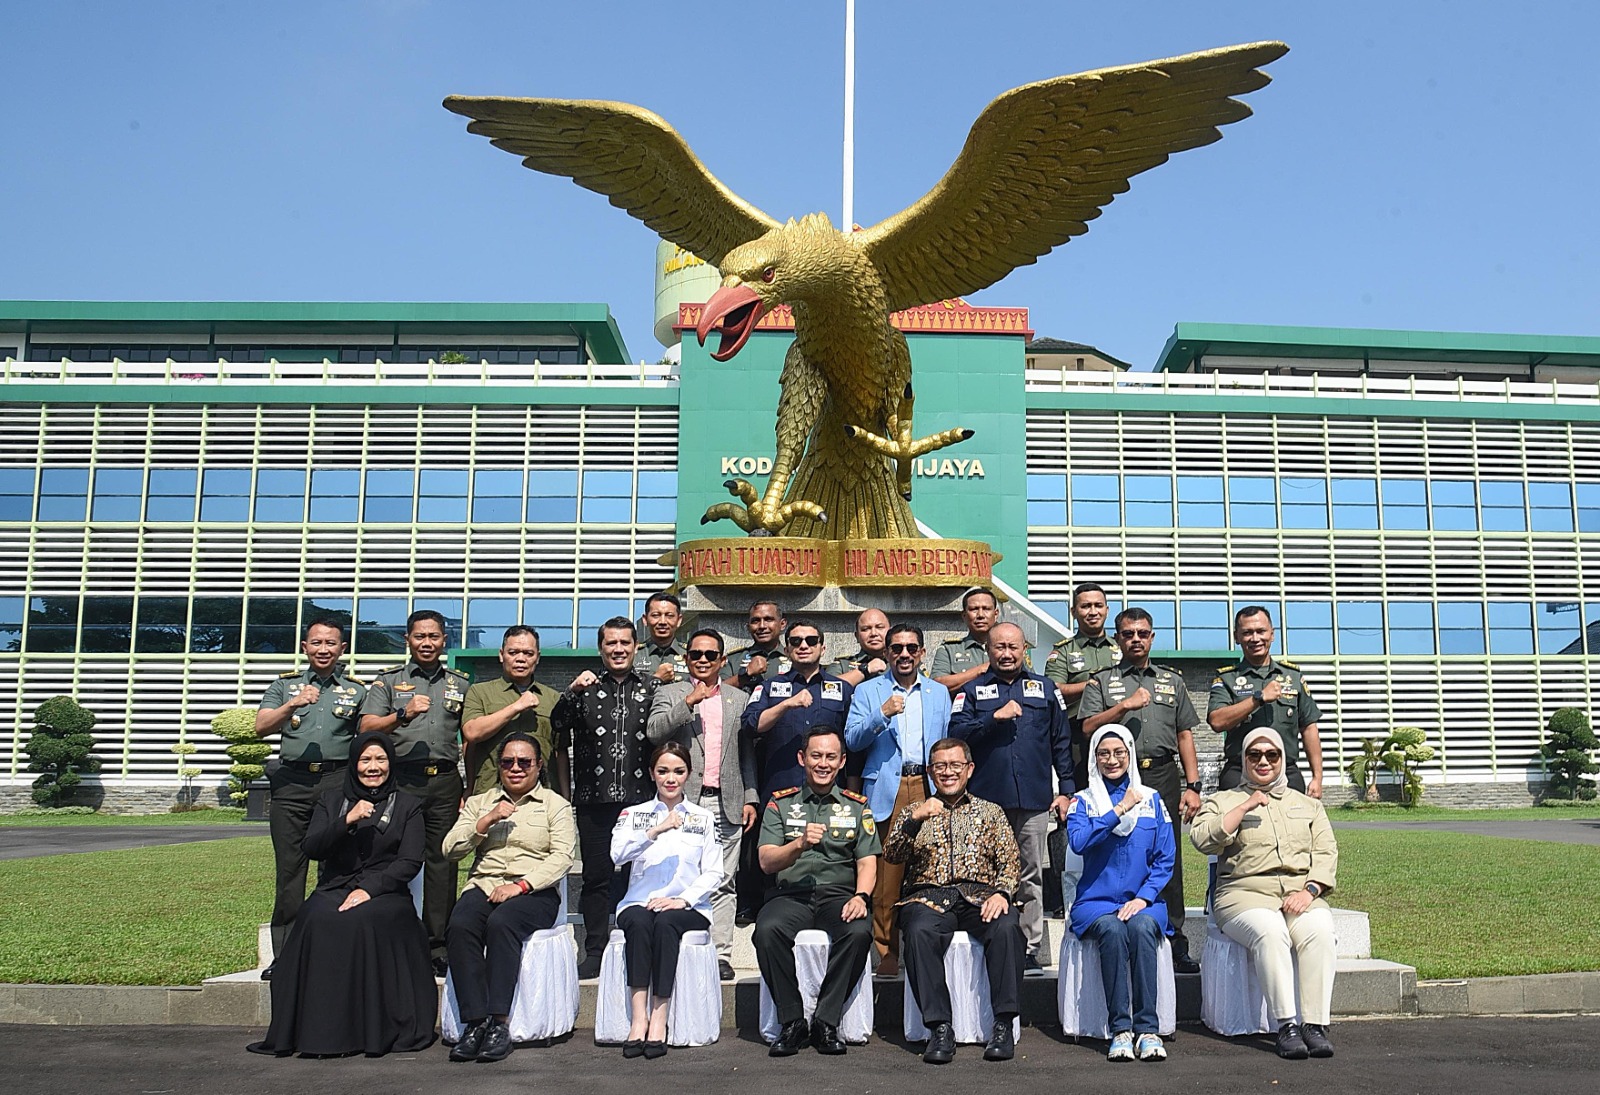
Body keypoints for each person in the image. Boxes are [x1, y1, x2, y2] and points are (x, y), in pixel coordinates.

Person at [247, 730, 435, 1057]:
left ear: (391, 763)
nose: (373, 767)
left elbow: (410, 861)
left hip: (386, 892)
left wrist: (369, 890)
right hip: (335, 886)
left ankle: (369, 1031)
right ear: (354, 763)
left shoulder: (408, 805)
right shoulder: (332, 800)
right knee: (316, 916)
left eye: (380, 759)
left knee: (365, 919)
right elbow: (312, 847)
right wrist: (346, 820)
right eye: (365, 760)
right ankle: (319, 1032)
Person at [1191, 727, 1339, 1061]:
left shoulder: (1308, 805)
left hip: (1298, 894)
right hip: (1243, 895)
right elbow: (1202, 839)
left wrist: (1311, 890)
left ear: (1282, 760)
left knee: (1320, 931)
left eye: (1271, 755)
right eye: (1254, 755)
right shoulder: (1224, 799)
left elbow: (1326, 852)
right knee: (1271, 933)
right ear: (1243, 760)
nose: (1263, 761)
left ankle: (1314, 1025)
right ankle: (1286, 1025)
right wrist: (1243, 808)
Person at [1079, 607, 1204, 974]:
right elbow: (1087, 726)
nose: (1136, 639)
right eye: (1128, 633)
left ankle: (1172, 935)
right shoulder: (1101, 681)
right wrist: (1124, 706)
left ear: (1152, 637)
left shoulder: (1172, 681)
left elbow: (1185, 734)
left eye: (1143, 633)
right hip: (1116, 777)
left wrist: (1193, 785)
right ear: (1117, 638)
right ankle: (1118, 919)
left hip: (1161, 774)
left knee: (1169, 856)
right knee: (1116, 852)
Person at [884, 737, 1024, 1065]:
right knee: (918, 931)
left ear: (969, 769)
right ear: (931, 772)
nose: (948, 772)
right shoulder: (913, 811)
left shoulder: (991, 812)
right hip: (928, 896)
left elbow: (1011, 862)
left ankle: (1003, 1024)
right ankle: (940, 1027)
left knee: (1006, 926)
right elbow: (892, 854)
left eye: (955, 765)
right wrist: (915, 818)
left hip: (980, 895)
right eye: (941, 766)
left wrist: (1002, 893)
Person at [442, 732, 577, 1063]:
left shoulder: (554, 805)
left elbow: (562, 857)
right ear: (499, 766)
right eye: (508, 762)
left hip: (534, 892)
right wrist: (485, 821)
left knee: (502, 924)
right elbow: (449, 850)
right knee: (460, 925)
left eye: (524, 762)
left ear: (538, 765)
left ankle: (499, 1023)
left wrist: (521, 886)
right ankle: (475, 1023)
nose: (516, 768)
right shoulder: (479, 802)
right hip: (484, 884)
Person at [947, 621, 1073, 973]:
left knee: (1030, 874)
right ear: (988, 649)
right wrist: (994, 719)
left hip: (1033, 799)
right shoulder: (971, 691)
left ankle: (1029, 947)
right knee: (986, 874)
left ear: (1024, 650)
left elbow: (1060, 742)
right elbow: (955, 735)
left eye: (1013, 647)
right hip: (987, 803)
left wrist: (1066, 791)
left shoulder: (1045, 689)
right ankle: (992, 938)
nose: (1006, 653)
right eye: (999, 646)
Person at [755, 727, 879, 1057]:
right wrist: (797, 845)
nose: (822, 763)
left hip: (838, 894)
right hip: (790, 894)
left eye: (830, 757)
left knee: (858, 932)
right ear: (802, 759)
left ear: (841, 762)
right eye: (815, 756)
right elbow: (766, 861)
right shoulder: (780, 804)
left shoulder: (857, 807)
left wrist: (861, 897)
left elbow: (867, 862)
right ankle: (792, 1020)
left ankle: (825, 1021)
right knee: (766, 931)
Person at [359, 609, 470, 972]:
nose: (427, 643)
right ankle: (392, 936)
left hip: (444, 780)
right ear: (408, 639)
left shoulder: (459, 683)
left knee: (442, 860)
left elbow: (467, 738)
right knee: (392, 856)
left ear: (444, 640)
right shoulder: (388, 682)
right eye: (420, 636)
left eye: (434, 636)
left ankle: (437, 945)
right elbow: (367, 727)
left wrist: (465, 785)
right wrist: (402, 714)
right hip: (401, 780)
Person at [254, 619, 366, 969]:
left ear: (342, 649)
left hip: (336, 783)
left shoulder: (357, 691)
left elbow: (367, 734)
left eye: (331, 643)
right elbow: (261, 727)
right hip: (292, 784)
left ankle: (329, 949)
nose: (323, 649)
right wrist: (293, 705)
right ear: (304, 646)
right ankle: (285, 956)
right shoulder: (283, 686)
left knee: (335, 867)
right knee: (290, 870)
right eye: (316, 642)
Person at [646, 628, 757, 980]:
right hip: (681, 804)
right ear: (687, 658)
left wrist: (751, 796)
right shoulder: (670, 693)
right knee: (679, 875)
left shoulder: (738, 699)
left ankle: (721, 954)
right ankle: (679, 945)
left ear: (723, 661)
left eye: (711, 655)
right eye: (697, 654)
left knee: (724, 880)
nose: (704, 660)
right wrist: (689, 702)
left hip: (727, 801)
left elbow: (746, 754)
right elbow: (654, 732)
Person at [843, 622, 951, 976]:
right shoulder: (869, 691)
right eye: (897, 648)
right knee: (887, 875)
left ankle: (930, 947)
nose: (904, 654)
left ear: (921, 652)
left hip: (927, 785)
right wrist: (882, 713)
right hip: (887, 789)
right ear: (886, 653)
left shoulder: (937, 693)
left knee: (930, 869)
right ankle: (886, 952)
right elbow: (853, 740)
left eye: (911, 648)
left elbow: (946, 742)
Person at [551, 616, 654, 979]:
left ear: (636, 647)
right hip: (593, 801)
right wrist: (572, 690)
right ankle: (594, 947)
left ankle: (629, 944)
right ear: (601, 648)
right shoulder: (586, 689)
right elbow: (557, 725)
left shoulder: (651, 688)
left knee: (634, 876)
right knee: (596, 877)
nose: (618, 649)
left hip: (640, 801)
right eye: (611, 643)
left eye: (625, 642)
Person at [1066, 725, 1176, 1062]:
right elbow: (1078, 842)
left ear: (1130, 755)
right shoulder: (1082, 801)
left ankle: (1148, 1030)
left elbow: (1165, 857)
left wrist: (1143, 898)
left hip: (1144, 901)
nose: (1112, 760)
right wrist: (1118, 810)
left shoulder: (1152, 800)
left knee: (1141, 928)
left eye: (1119, 753)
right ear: (1094, 758)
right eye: (1103, 754)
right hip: (1096, 903)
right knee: (1113, 930)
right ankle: (1121, 1030)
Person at [610, 741, 724, 1058]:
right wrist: (655, 830)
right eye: (663, 771)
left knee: (665, 923)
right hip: (639, 902)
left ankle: (659, 1017)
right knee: (639, 922)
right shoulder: (635, 814)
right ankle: (638, 1019)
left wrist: (683, 900)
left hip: (688, 907)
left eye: (678, 771)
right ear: (652, 774)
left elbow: (715, 872)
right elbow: (617, 854)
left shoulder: (703, 817)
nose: (670, 779)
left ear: (688, 774)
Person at [1207, 605, 1325, 797]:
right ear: (1236, 637)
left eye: (1261, 631)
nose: (1255, 638)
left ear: (1272, 634)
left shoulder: (1292, 677)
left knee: (1293, 826)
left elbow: (1309, 728)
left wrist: (1317, 777)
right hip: (1240, 771)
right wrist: (1258, 698)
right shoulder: (1226, 679)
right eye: (1247, 633)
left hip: (1285, 770)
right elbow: (1217, 721)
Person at [741, 619, 854, 799]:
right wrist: (785, 704)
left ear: (822, 649)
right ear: (786, 650)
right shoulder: (769, 686)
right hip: (779, 793)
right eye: (796, 641)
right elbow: (749, 726)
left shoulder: (842, 689)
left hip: (830, 795)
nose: (803, 646)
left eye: (811, 641)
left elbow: (853, 745)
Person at [461, 625, 566, 797]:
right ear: (501, 655)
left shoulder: (553, 698)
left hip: (543, 796)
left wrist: (565, 796)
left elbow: (559, 750)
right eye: (513, 652)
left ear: (537, 657)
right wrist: (516, 707)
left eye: (528, 653)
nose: (520, 659)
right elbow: (472, 733)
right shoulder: (480, 692)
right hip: (490, 793)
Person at [1044, 582, 1119, 787]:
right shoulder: (1063, 651)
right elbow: (1053, 690)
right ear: (1073, 612)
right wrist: (1094, 686)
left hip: (1119, 731)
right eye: (1086, 606)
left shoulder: (1122, 647)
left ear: (1107, 609)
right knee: (1080, 793)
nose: (1093, 611)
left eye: (1098, 605)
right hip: (1077, 736)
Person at [930, 586, 1002, 694]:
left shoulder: (1011, 649)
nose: (980, 615)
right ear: (964, 615)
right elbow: (936, 685)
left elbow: (1028, 684)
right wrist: (979, 671)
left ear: (996, 614)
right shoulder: (949, 650)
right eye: (974, 609)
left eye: (986, 609)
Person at [723, 600, 790, 691]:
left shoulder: (794, 659)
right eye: (755, 621)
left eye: (768, 619)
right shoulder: (733, 660)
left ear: (782, 624)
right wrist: (746, 674)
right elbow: (715, 693)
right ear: (748, 627)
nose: (762, 626)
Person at [634, 591, 689, 685]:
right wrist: (656, 679)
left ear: (679, 620)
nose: (663, 621)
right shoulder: (633, 656)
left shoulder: (692, 655)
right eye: (656, 615)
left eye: (669, 616)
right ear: (645, 619)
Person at [827, 608, 891, 686]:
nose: (874, 633)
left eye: (879, 627)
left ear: (890, 633)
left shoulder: (902, 663)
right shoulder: (842, 666)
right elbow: (828, 689)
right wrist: (864, 670)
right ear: (857, 636)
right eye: (866, 629)